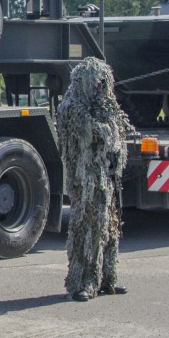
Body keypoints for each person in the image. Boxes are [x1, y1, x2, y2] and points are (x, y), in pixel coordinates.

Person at [56, 57, 131, 302]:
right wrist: (107, 125)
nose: (102, 89)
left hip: (105, 176)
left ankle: (107, 279)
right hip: (84, 180)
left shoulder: (100, 105)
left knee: (109, 227)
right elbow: (92, 133)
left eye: (104, 84)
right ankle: (83, 282)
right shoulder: (72, 106)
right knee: (85, 230)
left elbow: (117, 131)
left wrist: (107, 113)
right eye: (98, 84)